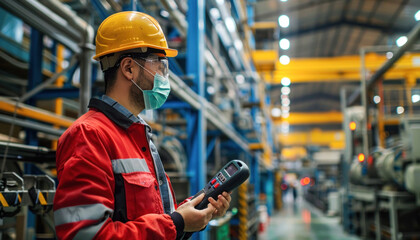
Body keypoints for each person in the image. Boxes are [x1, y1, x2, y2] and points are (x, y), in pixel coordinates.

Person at [53, 11, 231, 240]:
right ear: (129, 68)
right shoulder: (88, 135)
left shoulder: (137, 135)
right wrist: (176, 224)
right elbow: (85, 235)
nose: (163, 77)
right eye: (160, 66)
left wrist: (194, 216)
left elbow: (156, 217)